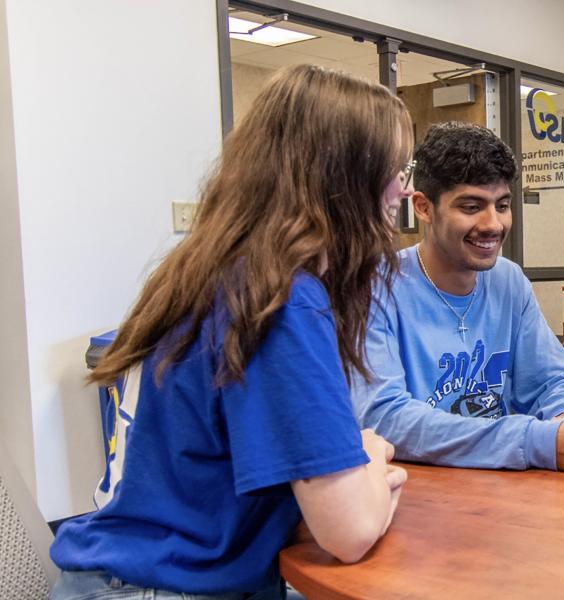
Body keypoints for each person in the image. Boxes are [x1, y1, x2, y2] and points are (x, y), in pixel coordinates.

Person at [50, 65, 413, 599]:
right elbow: (350, 530)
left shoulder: (216, 270)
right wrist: (374, 464)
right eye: (397, 171)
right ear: (346, 179)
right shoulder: (282, 298)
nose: (403, 192)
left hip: (110, 572)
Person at [352, 121, 564, 473]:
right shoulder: (376, 285)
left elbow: (552, 379)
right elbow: (385, 417)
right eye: (471, 207)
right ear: (424, 208)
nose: (493, 224)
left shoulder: (509, 281)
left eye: (502, 205)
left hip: (500, 492)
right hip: (415, 493)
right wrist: (534, 442)